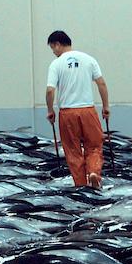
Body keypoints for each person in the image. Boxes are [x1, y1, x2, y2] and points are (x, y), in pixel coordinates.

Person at [45, 30, 109, 189]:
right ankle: (94, 172)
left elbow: (50, 90)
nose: (53, 52)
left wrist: (50, 110)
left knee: (73, 151)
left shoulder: (56, 64)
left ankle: (81, 186)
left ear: (58, 44)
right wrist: (106, 106)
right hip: (88, 110)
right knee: (94, 146)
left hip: (67, 113)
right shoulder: (89, 59)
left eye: (53, 48)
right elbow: (101, 83)